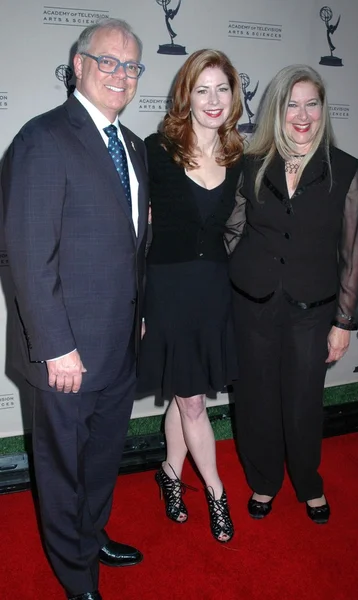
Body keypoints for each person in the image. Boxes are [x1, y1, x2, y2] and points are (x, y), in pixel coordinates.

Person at [1, 18, 148, 600]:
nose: (121, 74)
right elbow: (26, 256)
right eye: (108, 61)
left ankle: (91, 535)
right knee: (63, 471)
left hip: (118, 347)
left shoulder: (132, 147)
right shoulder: (43, 139)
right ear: (79, 64)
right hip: (64, 353)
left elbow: (131, 248)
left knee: (102, 458)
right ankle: (75, 574)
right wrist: (57, 346)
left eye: (132, 65)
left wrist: (138, 314)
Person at [225, 65, 358, 525]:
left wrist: (344, 323)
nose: (302, 115)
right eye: (292, 104)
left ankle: (309, 483)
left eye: (312, 103)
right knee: (254, 400)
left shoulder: (344, 169)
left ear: (323, 110)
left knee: (304, 402)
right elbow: (233, 231)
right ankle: (264, 480)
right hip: (251, 303)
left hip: (313, 309)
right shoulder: (251, 163)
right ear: (277, 110)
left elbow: (352, 250)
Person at [138, 49, 243, 543]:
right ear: (186, 95)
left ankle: (170, 475)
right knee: (194, 402)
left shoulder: (239, 157)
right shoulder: (156, 150)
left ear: (234, 95)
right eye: (202, 89)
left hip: (212, 292)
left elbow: (241, 231)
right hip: (169, 291)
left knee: (187, 394)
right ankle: (218, 495)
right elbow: (136, 230)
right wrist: (136, 304)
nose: (213, 99)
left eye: (221, 87)